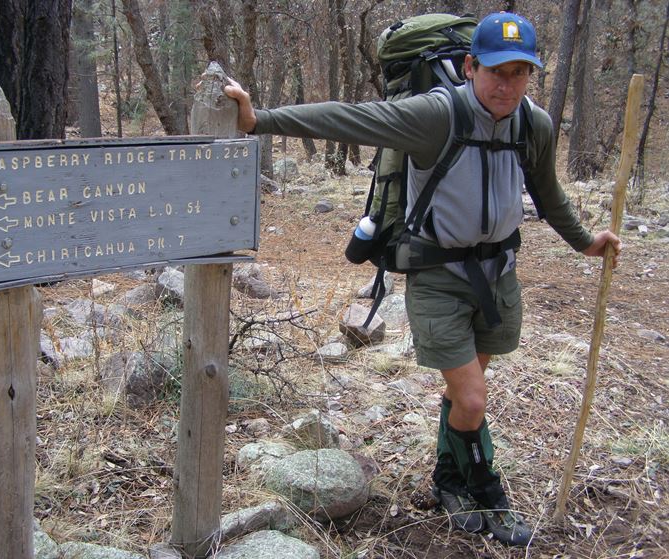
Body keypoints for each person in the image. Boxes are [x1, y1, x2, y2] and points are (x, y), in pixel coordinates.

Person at [224, 12, 621, 546]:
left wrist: (585, 241)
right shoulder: (437, 116)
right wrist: (261, 120)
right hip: (438, 277)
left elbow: (547, 193)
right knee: (474, 399)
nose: (507, 85)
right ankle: (488, 491)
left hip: (499, 274)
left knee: (465, 396)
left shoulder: (535, 124)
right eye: (496, 71)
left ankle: (448, 481)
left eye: (520, 73)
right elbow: (350, 118)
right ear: (470, 65)